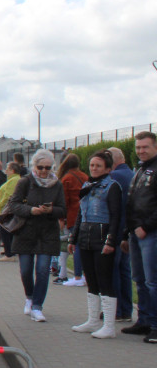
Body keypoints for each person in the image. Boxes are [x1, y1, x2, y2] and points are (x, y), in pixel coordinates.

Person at [68, 150, 123, 338]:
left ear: (107, 168)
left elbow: (116, 216)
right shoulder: (87, 185)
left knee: (104, 280)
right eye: (92, 165)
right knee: (91, 280)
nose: (94, 168)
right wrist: (73, 238)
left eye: (98, 166)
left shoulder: (112, 187)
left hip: (102, 238)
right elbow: (80, 215)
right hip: (85, 236)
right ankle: (92, 320)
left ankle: (108, 326)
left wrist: (110, 240)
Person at [9, 149, 66, 322]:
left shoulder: (57, 185)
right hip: (26, 231)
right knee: (26, 270)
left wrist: (51, 210)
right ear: (34, 166)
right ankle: (29, 296)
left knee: (42, 270)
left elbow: (63, 209)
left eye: (47, 167)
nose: (43, 171)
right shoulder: (25, 182)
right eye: (40, 167)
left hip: (47, 232)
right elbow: (13, 205)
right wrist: (31, 210)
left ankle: (37, 306)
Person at [121, 131, 157, 342]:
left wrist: (147, 226)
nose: (141, 151)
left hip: (150, 233)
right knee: (140, 280)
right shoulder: (140, 170)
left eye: (145, 147)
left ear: (154, 147)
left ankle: (155, 324)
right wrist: (127, 233)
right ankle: (144, 320)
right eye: (138, 147)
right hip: (135, 234)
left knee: (153, 281)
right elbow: (132, 203)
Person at [108, 147, 134, 321]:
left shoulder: (114, 178)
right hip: (129, 229)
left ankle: (115, 310)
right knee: (125, 270)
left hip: (117, 230)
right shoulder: (133, 174)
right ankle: (126, 310)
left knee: (113, 270)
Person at [55, 153, 88, 286]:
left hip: (73, 216)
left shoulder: (66, 179)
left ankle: (78, 276)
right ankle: (85, 275)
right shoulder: (84, 176)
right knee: (83, 246)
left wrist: (61, 219)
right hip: (85, 215)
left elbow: (64, 201)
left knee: (76, 246)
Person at [0, 162, 21, 258]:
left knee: (5, 231)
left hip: (7, 210)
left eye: (8, 169)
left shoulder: (14, 180)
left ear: (12, 170)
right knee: (8, 231)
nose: (6, 171)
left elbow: (8, 195)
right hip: (9, 209)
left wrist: (1, 207)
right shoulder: (15, 179)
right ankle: (9, 251)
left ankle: (9, 253)